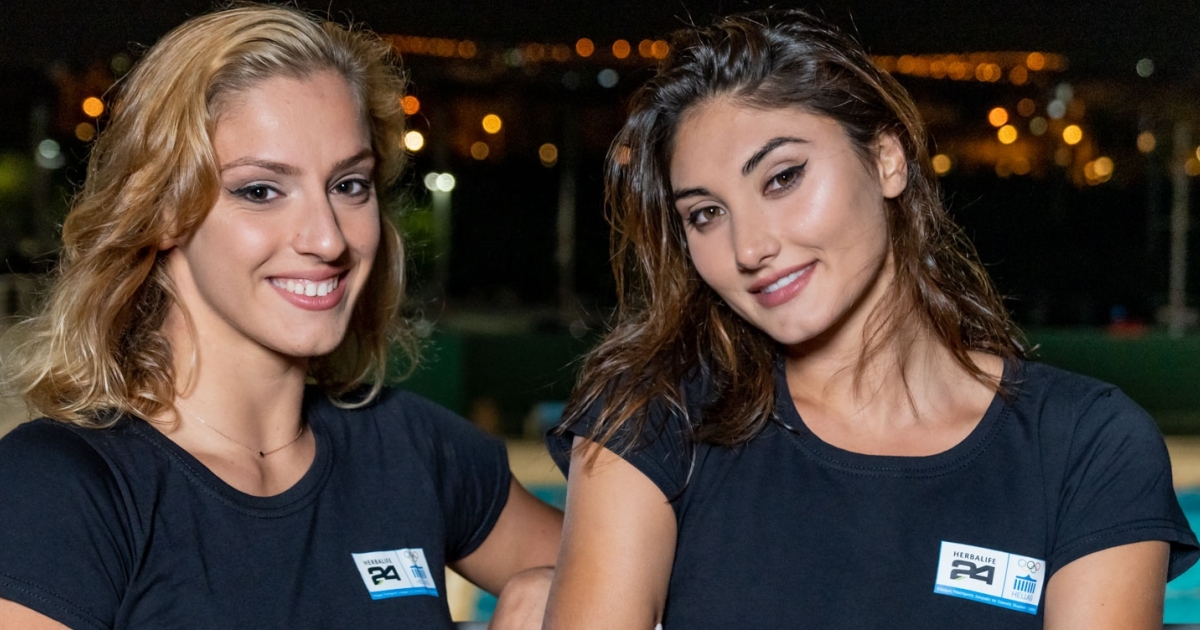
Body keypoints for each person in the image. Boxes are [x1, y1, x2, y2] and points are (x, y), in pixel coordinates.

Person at [545, 9, 1198, 630]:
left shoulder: (1085, 447)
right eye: (706, 214)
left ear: (887, 159)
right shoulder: (653, 420)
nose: (750, 248)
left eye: (782, 178)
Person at [0, 6, 560, 629]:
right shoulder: (62, 487)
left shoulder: (411, 450)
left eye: (349, 185)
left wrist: (548, 595)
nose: (327, 238)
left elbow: (636, 587)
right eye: (261, 191)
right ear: (161, 212)